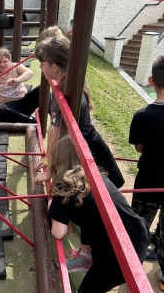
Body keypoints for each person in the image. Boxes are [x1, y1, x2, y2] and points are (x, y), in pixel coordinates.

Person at [33, 35, 125, 268]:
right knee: (86, 195)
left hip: (89, 150)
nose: (40, 68)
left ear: (54, 66)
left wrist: (50, 167)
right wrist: (49, 160)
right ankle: (86, 244)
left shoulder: (68, 90)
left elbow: (57, 133)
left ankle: (91, 252)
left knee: (95, 195)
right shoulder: (64, 85)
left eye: (42, 63)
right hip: (83, 146)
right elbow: (56, 131)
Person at [48, 135, 150, 293]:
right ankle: (86, 257)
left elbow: (58, 232)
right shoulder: (94, 175)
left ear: (58, 159)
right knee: (89, 216)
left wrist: (53, 207)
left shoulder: (65, 185)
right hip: (136, 233)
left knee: (88, 292)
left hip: (122, 253)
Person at [129, 53, 164, 293]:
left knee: (139, 225)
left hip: (147, 184)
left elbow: (140, 148)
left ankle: (132, 266)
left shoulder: (142, 116)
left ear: (151, 81)